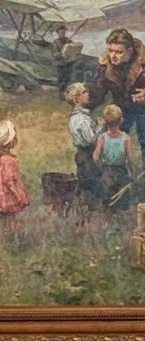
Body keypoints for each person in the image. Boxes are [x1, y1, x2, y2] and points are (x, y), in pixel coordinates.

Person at [87, 28, 145, 142]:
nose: (113, 56)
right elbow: (97, 91)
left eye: (119, 52)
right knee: (117, 139)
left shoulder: (142, 62)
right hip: (122, 107)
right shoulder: (105, 65)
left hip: (143, 108)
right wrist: (81, 108)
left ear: (130, 51)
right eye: (110, 50)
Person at [66, 82, 103, 215]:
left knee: (85, 178)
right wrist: (100, 126)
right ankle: (89, 207)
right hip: (87, 153)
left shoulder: (76, 117)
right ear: (77, 98)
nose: (87, 94)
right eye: (84, 93)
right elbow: (90, 140)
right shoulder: (82, 119)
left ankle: (85, 206)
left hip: (82, 153)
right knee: (90, 179)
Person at [0, 119, 29, 240]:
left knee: (3, 216)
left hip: (1, 194)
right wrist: (18, 195)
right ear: (11, 142)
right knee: (11, 217)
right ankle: (13, 239)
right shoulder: (9, 160)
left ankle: (1, 237)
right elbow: (9, 180)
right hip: (9, 194)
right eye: (14, 137)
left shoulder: (0, 157)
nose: (16, 139)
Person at [95, 103, 138, 211]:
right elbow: (130, 159)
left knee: (108, 199)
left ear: (105, 121)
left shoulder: (102, 138)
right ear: (121, 120)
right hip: (122, 172)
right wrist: (133, 174)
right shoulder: (126, 138)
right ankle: (120, 215)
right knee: (122, 198)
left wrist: (100, 168)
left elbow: (95, 157)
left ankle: (109, 215)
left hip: (107, 173)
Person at [52, 25, 76, 100]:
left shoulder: (68, 41)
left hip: (69, 62)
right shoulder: (55, 43)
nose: (63, 34)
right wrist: (61, 53)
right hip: (60, 64)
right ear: (58, 33)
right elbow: (54, 54)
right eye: (61, 33)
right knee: (61, 80)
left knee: (68, 79)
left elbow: (73, 48)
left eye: (64, 32)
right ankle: (61, 96)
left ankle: (67, 94)